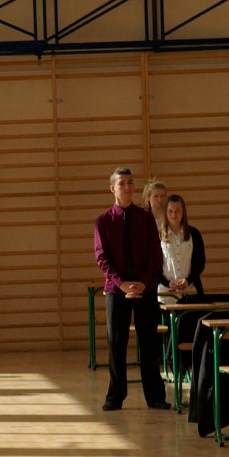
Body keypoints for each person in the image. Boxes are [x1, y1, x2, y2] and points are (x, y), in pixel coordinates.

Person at [93, 167, 168, 412]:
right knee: (116, 343)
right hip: (117, 290)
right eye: (122, 183)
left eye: (130, 182)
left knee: (149, 342)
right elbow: (102, 257)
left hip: (145, 288)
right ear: (112, 188)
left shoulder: (145, 218)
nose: (127, 187)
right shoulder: (103, 221)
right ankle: (115, 396)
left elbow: (155, 254)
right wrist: (121, 283)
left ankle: (155, 396)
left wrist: (143, 283)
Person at [158, 193, 205, 300]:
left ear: (183, 212)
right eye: (170, 211)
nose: (174, 215)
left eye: (178, 211)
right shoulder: (158, 236)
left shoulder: (194, 234)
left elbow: (200, 263)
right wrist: (167, 283)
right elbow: (154, 266)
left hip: (190, 290)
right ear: (165, 213)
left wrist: (188, 280)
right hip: (165, 293)